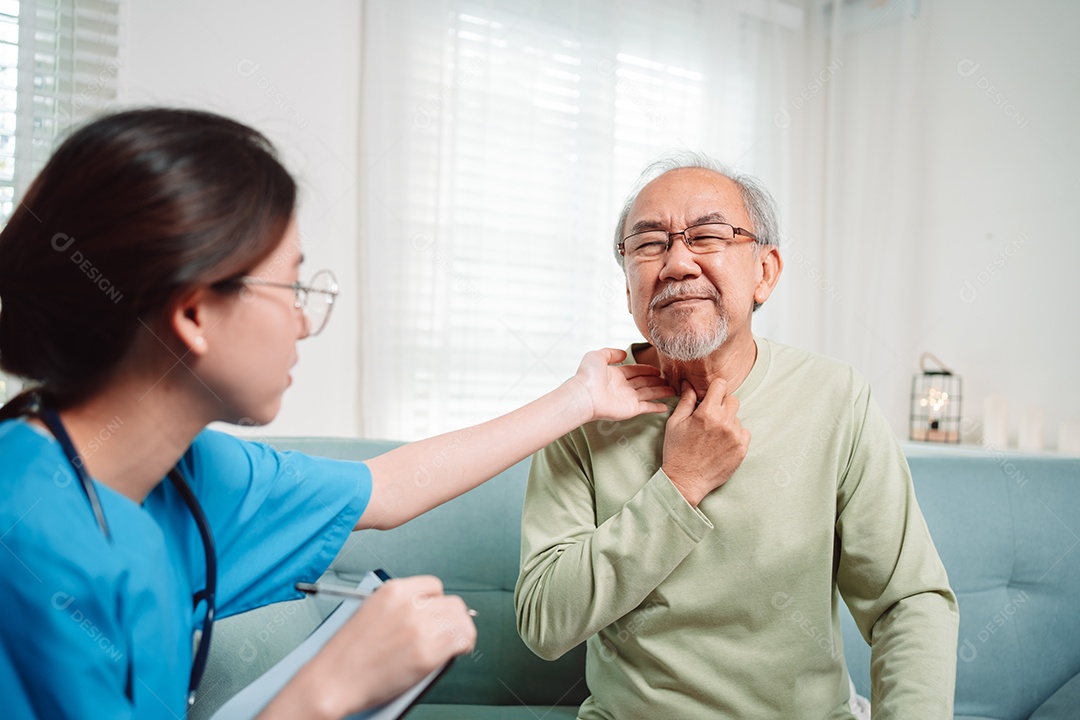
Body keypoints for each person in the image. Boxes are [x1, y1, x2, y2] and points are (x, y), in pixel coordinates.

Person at [0, 108, 675, 720]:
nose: (303, 320)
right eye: (290, 285)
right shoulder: (26, 537)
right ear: (195, 312)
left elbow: (387, 489)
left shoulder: (188, 475)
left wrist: (582, 398)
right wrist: (325, 692)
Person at [514, 151, 960, 719]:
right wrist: (678, 485)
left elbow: (908, 602)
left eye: (707, 235)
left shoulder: (836, 396)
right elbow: (545, 622)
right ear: (628, 287)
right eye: (648, 244)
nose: (676, 263)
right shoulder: (585, 408)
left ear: (765, 272)